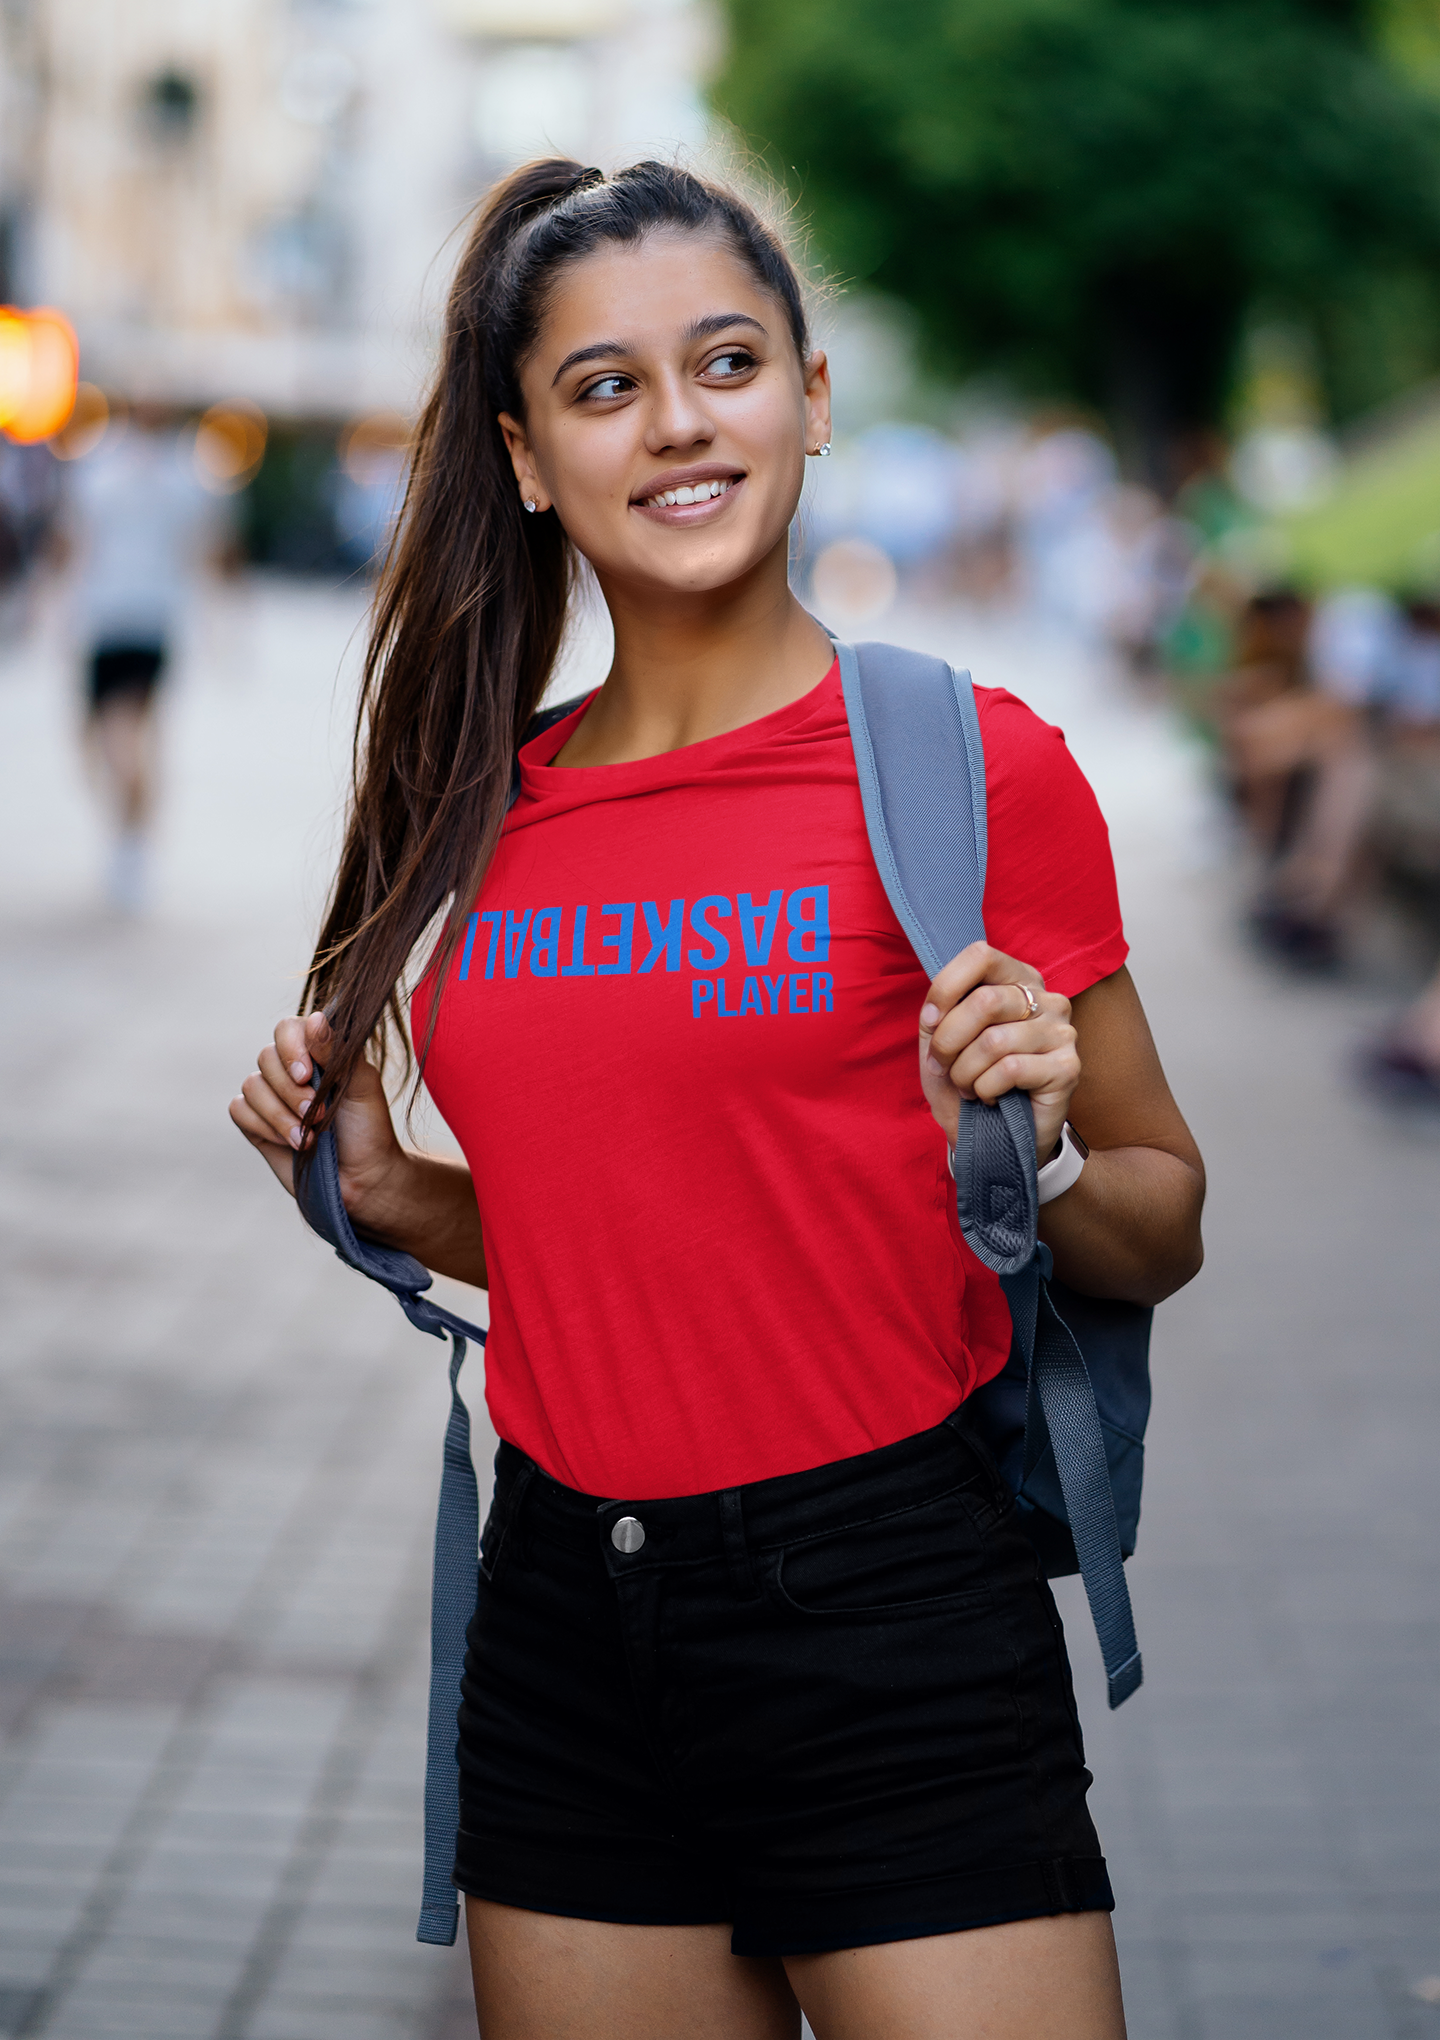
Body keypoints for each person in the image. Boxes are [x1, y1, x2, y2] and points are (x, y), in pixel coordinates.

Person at [230, 160, 1205, 2040]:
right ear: (526, 456)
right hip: (562, 1623)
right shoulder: (480, 818)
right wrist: (406, 1197)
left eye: (727, 361)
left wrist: (1028, 1152)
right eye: (604, 387)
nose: (678, 422)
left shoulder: (967, 764)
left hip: (895, 1610)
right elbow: (656, 1235)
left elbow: (1161, 1212)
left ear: (811, 399)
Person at [68, 402, 212, 911]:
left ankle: (131, 848)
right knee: (129, 740)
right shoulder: (181, 477)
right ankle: (132, 840)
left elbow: (74, 544)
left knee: (116, 742)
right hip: (145, 622)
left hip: (116, 620)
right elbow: (203, 551)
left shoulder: (99, 469)